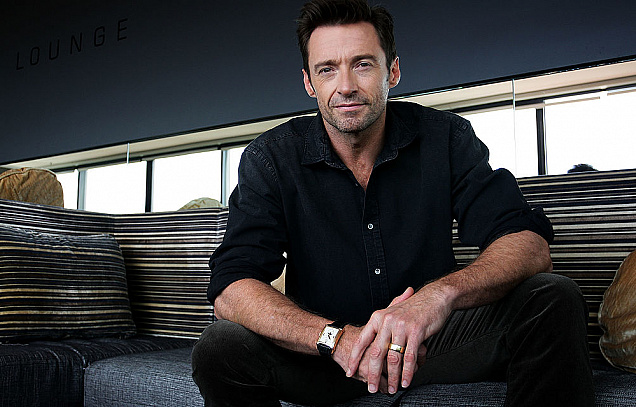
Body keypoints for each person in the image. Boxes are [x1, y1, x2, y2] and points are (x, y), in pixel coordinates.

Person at [192, 0, 595, 406]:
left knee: (553, 296)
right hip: (325, 358)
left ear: (393, 71)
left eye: (363, 64)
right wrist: (336, 339)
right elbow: (231, 288)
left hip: (431, 345)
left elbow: (528, 244)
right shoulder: (270, 159)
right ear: (309, 83)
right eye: (327, 69)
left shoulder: (446, 138)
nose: (345, 86)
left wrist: (437, 296)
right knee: (221, 345)